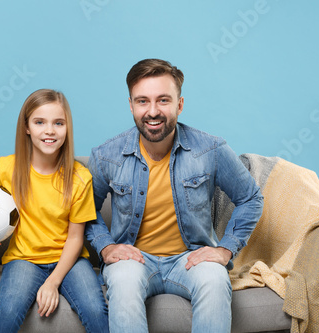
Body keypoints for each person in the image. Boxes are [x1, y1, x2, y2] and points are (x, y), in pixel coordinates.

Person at [85, 59, 264, 333]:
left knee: (215, 279)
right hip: (134, 260)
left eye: (163, 100)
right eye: (143, 101)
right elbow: (84, 211)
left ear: (179, 104)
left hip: (190, 259)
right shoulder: (106, 155)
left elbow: (250, 198)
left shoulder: (210, 149)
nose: (153, 111)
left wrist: (225, 248)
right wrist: (107, 247)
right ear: (131, 105)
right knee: (123, 281)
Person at [0, 89, 109, 333]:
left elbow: (76, 238)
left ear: (67, 128)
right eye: (40, 122)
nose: (50, 130)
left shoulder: (79, 177)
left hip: (69, 260)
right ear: (27, 127)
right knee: (9, 310)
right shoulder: (7, 168)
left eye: (58, 123)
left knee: (96, 310)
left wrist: (52, 282)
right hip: (24, 259)